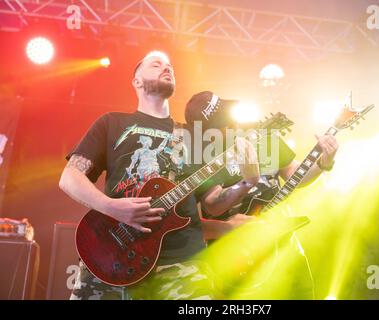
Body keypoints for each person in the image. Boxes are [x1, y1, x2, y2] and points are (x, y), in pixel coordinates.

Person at [59, 51, 218, 300]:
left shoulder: (192, 136)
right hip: (111, 255)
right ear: (137, 81)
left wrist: (249, 178)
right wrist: (112, 207)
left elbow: (213, 203)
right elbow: (69, 178)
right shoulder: (112, 123)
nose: (167, 68)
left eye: (170, 66)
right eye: (157, 64)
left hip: (181, 262)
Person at [184, 91, 339, 299]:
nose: (228, 127)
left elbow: (294, 174)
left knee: (302, 293)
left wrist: (323, 163)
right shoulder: (201, 152)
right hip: (238, 249)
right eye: (219, 124)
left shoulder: (258, 132)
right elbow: (213, 205)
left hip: (281, 236)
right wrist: (248, 181)